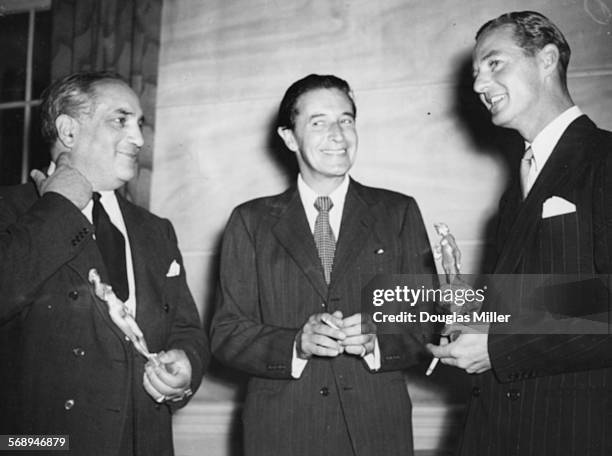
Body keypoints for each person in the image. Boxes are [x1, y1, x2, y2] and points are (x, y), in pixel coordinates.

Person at [210, 74, 436, 455]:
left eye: (346, 120)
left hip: (377, 432)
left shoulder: (397, 213)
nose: (338, 135)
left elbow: (427, 322)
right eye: (319, 122)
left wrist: (375, 341)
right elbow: (226, 334)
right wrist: (295, 344)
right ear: (288, 137)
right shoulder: (250, 221)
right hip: (282, 432)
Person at [428, 11, 612, 455]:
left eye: (494, 64)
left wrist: (500, 348)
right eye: (475, 73)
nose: (478, 85)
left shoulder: (605, 159)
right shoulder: (518, 189)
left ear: (547, 60)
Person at [0, 71, 209, 456]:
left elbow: (187, 329)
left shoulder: (155, 229)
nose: (139, 139)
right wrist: (60, 207)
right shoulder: (10, 210)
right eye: (120, 120)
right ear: (68, 130)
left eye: (139, 123)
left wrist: (187, 364)